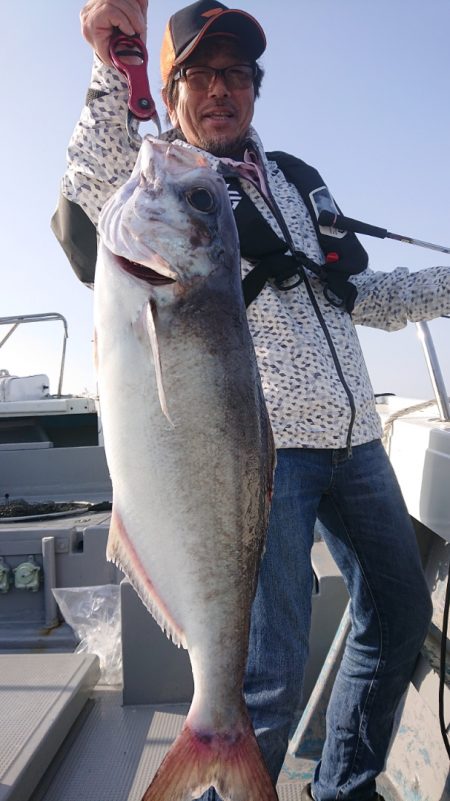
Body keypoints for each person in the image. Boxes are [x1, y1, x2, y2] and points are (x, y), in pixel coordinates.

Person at [51, 2, 448, 799]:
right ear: (170, 92)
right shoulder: (156, 178)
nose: (220, 90)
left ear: (256, 91)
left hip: (358, 438)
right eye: (199, 74)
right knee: (258, 678)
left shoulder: (297, 182)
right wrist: (112, 61)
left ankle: (345, 784)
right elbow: (93, 184)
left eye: (236, 73)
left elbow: (359, 294)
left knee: (401, 617)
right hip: (260, 460)